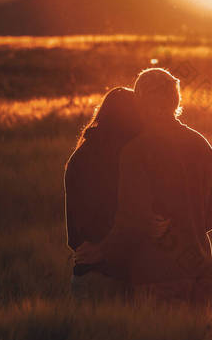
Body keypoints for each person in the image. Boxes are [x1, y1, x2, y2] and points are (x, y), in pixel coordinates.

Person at [75, 68, 212, 306]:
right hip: (202, 270)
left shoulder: (136, 151)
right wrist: (185, 225)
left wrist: (101, 252)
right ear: (176, 100)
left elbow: (131, 221)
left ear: (140, 102)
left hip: (158, 274)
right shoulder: (201, 144)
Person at [65, 87, 169, 300]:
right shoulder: (133, 158)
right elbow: (132, 217)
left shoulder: (80, 157)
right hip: (124, 272)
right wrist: (151, 224)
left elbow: (81, 222)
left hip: (88, 272)